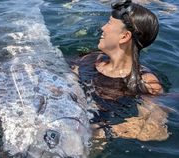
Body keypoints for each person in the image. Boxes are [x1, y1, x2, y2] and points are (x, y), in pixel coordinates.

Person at [71, 0, 169, 142]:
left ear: (124, 37)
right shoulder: (89, 59)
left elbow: (155, 131)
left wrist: (100, 131)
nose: (103, 28)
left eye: (109, 23)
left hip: (93, 139)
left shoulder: (147, 82)